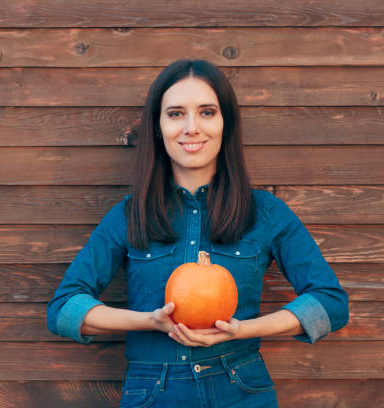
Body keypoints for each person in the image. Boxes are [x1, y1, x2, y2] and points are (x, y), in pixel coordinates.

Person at [47, 59, 348, 408]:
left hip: (241, 389)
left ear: (225, 124)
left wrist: (243, 330)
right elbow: (64, 309)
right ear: (158, 127)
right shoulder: (131, 215)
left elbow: (331, 303)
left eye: (207, 112)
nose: (192, 127)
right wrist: (150, 321)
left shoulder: (266, 212)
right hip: (153, 393)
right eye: (176, 114)